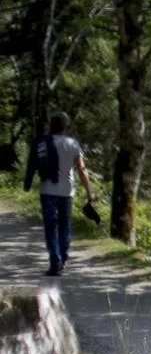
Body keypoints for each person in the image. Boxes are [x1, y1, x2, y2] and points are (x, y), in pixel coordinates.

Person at [21, 113, 95, 276]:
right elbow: (82, 169)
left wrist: (26, 184)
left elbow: (31, 165)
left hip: (47, 191)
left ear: (50, 126)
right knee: (64, 226)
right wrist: (89, 191)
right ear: (66, 127)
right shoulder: (72, 144)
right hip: (67, 192)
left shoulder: (40, 143)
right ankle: (63, 256)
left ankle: (55, 261)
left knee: (50, 227)